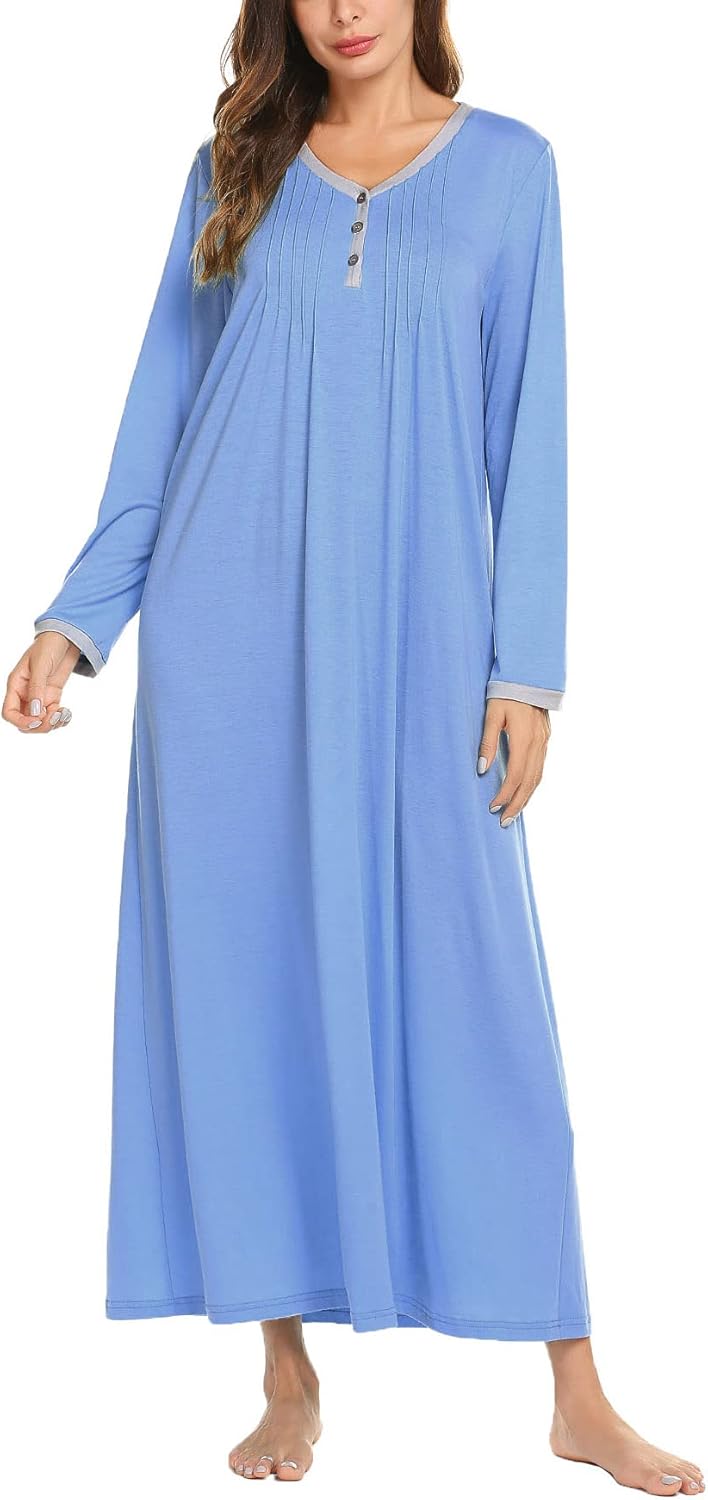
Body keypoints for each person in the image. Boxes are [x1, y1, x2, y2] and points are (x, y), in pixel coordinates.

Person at [3, 1, 703, 1492]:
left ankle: (576, 1387)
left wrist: (527, 668)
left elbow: (533, 429)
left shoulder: (511, 169)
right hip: (227, 648)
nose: (345, 7)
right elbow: (161, 414)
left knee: (484, 995)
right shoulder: (232, 170)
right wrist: (78, 619)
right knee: (247, 990)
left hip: (423, 649)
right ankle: (284, 1368)